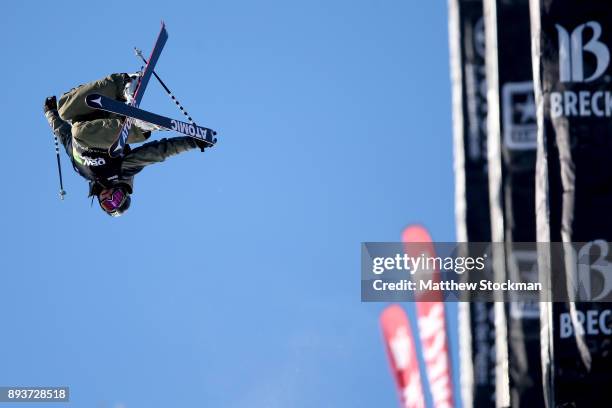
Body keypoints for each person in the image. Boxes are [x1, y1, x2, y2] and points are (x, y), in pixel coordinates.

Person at [44, 73, 209, 217]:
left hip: (87, 114)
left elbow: (64, 135)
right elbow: (158, 153)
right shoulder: (121, 171)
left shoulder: (82, 171)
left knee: (63, 109)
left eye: (108, 204)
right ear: (122, 193)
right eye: (115, 199)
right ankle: (134, 112)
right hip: (112, 123)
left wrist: (50, 114)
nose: (109, 197)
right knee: (79, 133)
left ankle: (123, 89)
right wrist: (193, 141)